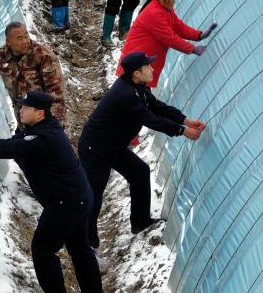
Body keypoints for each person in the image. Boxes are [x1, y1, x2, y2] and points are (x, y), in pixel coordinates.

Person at [0, 90, 103, 293]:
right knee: (80, 250)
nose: (21, 111)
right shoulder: (42, 128)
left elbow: (8, 148)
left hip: (66, 203)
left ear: (40, 113)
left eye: (26, 108)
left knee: (43, 251)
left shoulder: (43, 138)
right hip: (78, 197)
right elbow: (14, 143)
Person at [79, 51, 207, 252]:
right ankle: (88, 247)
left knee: (139, 172)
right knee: (93, 196)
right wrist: (182, 131)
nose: (153, 68)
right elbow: (151, 119)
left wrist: (185, 120)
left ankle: (140, 221)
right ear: (136, 73)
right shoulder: (125, 94)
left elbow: (157, 107)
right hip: (96, 148)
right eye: (148, 66)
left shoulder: (136, 87)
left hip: (113, 145)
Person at [116, 0, 218, 88]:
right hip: (135, 66)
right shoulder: (154, 13)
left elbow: (178, 26)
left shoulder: (166, 9)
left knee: (143, 97)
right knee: (135, 97)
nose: (174, 1)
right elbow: (170, 38)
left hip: (144, 65)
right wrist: (192, 49)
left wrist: (199, 35)